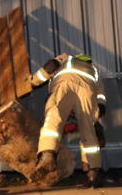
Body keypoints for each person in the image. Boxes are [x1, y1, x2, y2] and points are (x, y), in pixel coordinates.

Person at [30, 53, 106, 187]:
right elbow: (101, 98)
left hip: (64, 84)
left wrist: (33, 81)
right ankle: (92, 172)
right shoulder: (94, 70)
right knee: (88, 131)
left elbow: (51, 66)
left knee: (53, 120)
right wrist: (95, 115)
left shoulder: (67, 57)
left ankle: (48, 154)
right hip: (87, 91)